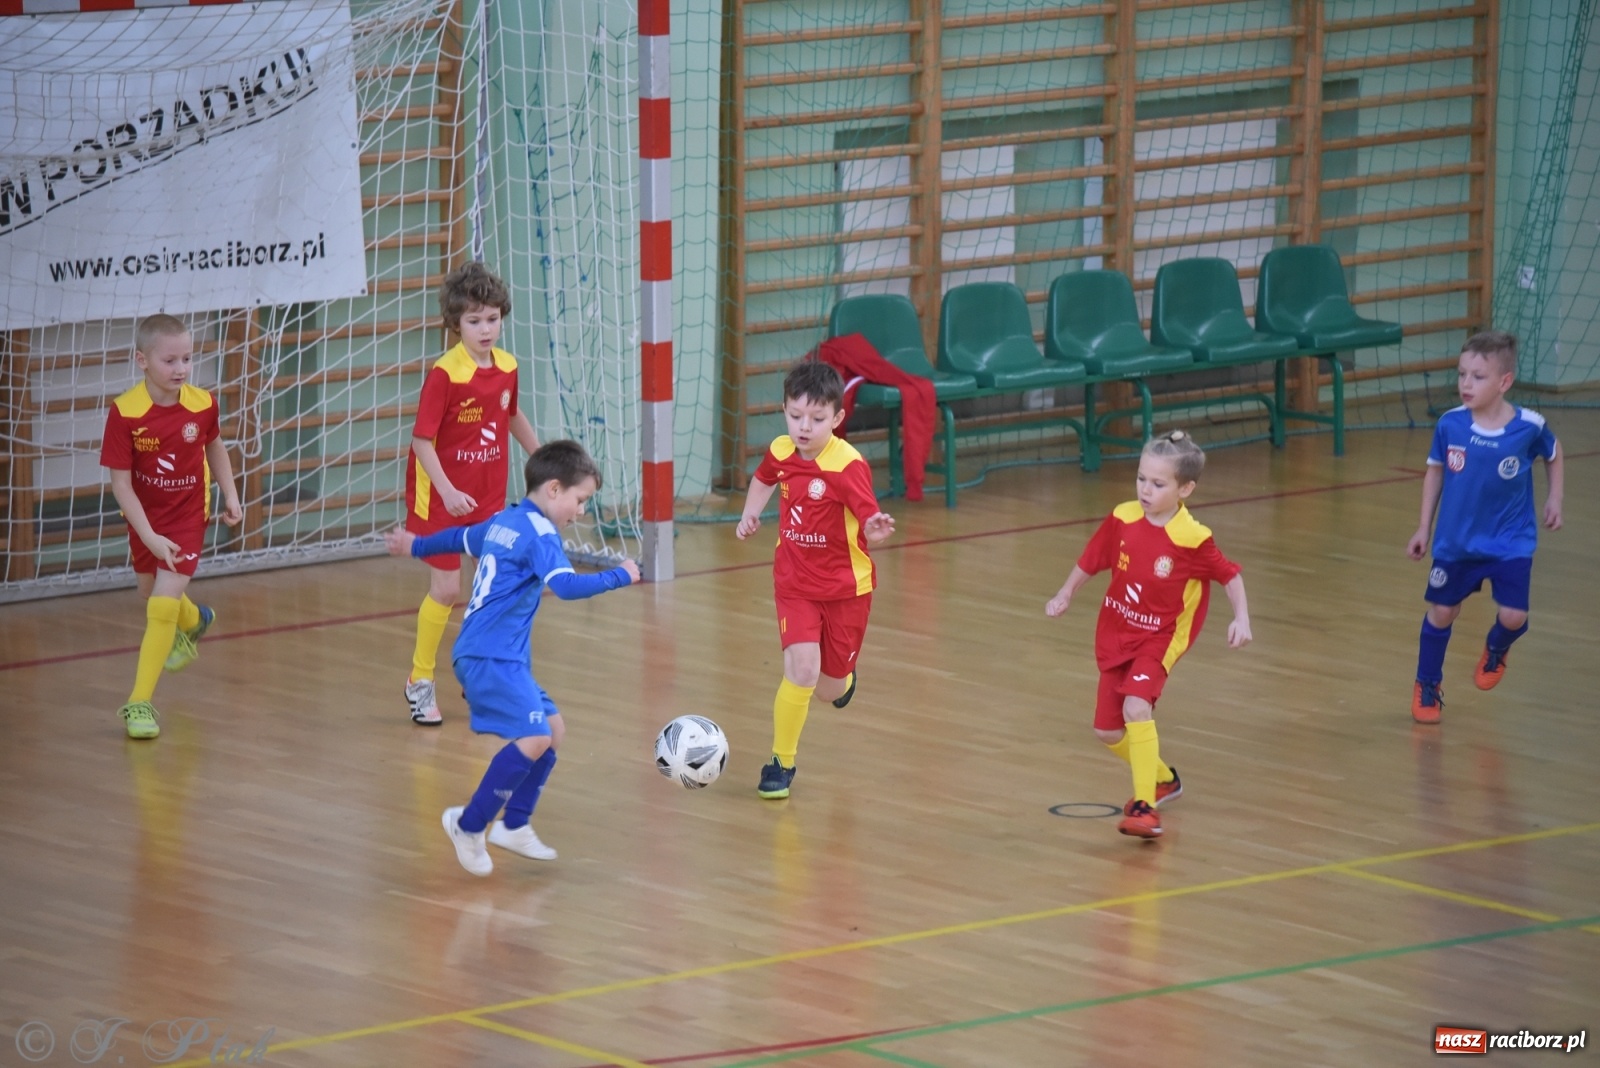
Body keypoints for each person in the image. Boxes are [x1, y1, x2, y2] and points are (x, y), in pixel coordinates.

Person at [385, 440, 638, 876]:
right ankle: (469, 825)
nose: (580, 512)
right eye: (580, 501)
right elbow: (566, 587)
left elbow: (459, 538)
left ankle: (515, 824)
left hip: (499, 656)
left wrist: (417, 545)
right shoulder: (540, 534)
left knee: (553, 731)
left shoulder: (506, 519)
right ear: (554, 489)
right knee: (536, 737)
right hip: (489, 657)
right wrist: (622, 575)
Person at [1046, 430, 1251, 839]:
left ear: (1185, 489)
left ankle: (1144, 806)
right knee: (1106, 730)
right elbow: (1093, 558)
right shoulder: (1123, 517)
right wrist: (1065, 592)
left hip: (1161, 636)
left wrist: (1241, 618)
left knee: (1137, 708)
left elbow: (1229, 575)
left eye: (1158, 484)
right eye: (1141, 478)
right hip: (1117, 631)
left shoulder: (1192, 537)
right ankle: (1163, 778)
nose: (1145, 489)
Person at [736, 360, 896, 799]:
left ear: (838, 419)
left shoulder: (847, 465)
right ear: (785, 411)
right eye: (795, 415)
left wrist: (875, 527)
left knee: (828, 688)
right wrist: (752, 512)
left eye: (817, 419)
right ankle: (780, 763)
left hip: (846, 590)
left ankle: (845, 677)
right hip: (794, 582)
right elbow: (764, 477)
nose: (804, 427)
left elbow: (867, 511)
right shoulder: (783, 451)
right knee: (801, 671)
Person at [403, 261, 541, 726]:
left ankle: (480, 677)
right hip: (440, 497)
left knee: (489, 589)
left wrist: (543, 459)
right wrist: (447, 489)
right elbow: (421, 441)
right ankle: (420, 681)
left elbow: (511, 415)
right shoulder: (446, 374)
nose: (486, 329)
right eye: (474, 320)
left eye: (493, 318)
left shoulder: (507, 367)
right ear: (455, 322)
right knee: (446, 589)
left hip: (486, 496)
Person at [1405, 330, 1563, 724]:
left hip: (1511, 541)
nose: (1465, 384)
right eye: (1461, 375)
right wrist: (1423, 526)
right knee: (1443, 610)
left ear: (1504, 382)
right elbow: (1434, 472)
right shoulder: (1450, 425)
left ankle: (1496, 649)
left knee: (1513, 617)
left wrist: (1554, 497)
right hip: (1456, 542)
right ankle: (1427, 683)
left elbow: (1555, 455)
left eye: (1477, 377)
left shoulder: (1529, 426)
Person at [100, 314, 243, 740]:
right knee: (150, 594)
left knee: (160, 606)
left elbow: (214, 445)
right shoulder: (125, 413)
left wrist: (230, 494)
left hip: (186, 517)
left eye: (187, 358)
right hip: (146, 520)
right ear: (142, 360)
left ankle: (139, 703)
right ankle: (195, 619)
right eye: (170, 360)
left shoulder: (202, 404)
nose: (181, 369)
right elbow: (121, 484)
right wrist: (147, 535)